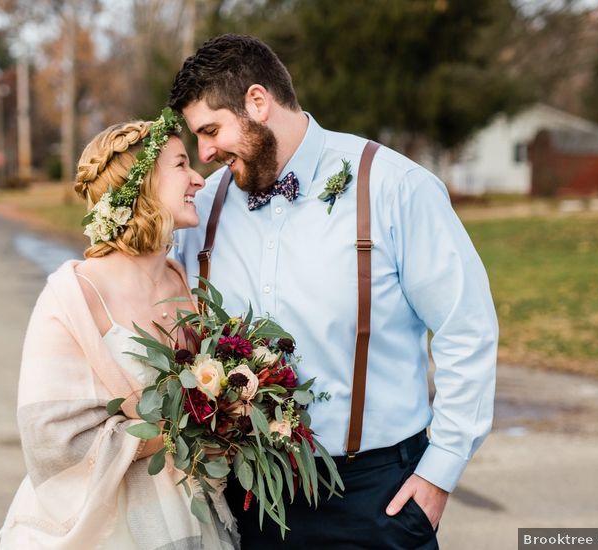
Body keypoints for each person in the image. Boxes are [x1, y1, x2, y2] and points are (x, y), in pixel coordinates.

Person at [168, 34, 498, 548]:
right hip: (241, 502)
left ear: (258, 102)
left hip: (372, 497)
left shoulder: (393, 187)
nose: (205, 152)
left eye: (210, 130)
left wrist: (440, 472)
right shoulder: (202, 207)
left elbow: (467, 327)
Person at [0, 115, 237, 549]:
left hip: (190, 516)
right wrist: (180, 430)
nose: (198, 180)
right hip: (104, 529)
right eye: (181, 165)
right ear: (141, 183)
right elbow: (52, 442)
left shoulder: (183, 280)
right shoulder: (73, 297)